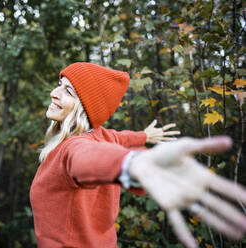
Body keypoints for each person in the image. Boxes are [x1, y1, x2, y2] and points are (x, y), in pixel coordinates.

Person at [29, 62, 246, 248]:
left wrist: (132, 163)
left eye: (68, 91)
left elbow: (89, 157)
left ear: (85, 108)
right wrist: (144, 136)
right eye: (60, 86)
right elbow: (120, 138)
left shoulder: (74, 149)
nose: (54, 93)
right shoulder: (102, 136)